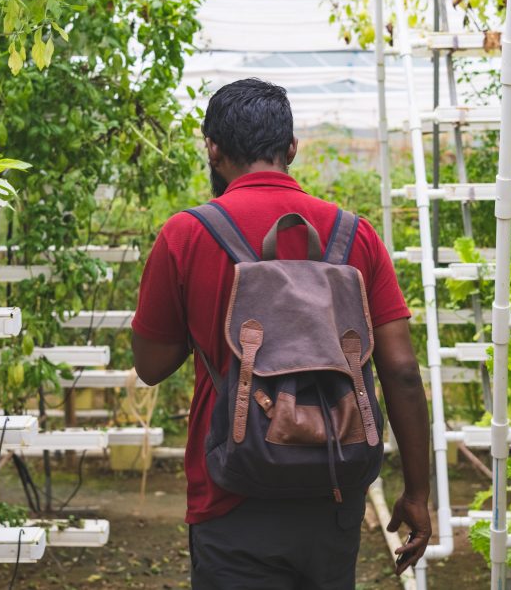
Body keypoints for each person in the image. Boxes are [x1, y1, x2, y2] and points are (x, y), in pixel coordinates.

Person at [131, 78, 432, 589]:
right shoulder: (354, 235)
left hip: (230, 492)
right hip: (332, 484)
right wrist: (418, 494)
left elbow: (151, 365)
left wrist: (204, 319)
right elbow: (401, 371)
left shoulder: (186, 235)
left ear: (213, 148)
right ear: (291, 148)